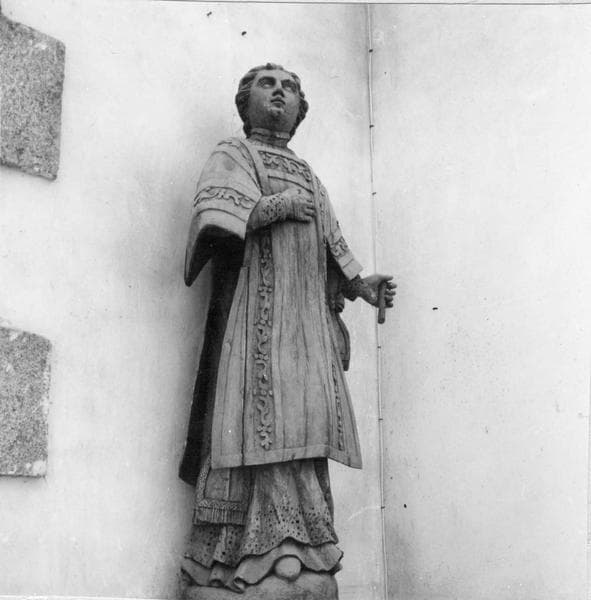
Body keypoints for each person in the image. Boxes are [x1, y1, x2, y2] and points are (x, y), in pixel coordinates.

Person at [179, 63, 395, 593]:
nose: (280, 92)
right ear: (244, 101)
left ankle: (303, 547)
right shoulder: (235, 154)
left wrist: (361, 285)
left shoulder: (309, 174)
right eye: (267, 84)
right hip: (253, 320)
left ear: (301, 110)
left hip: (306, 326)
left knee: (306, 426)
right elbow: (214, 215)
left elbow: (333, 244)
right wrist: (272, 206)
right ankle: (243, 555)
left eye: (291, 87)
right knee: (254, 422)